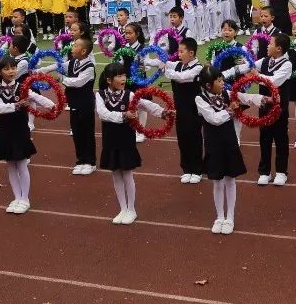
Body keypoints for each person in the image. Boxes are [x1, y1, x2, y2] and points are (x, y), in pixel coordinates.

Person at [96, 60, 173, 224]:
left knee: (127, 173)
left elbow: (145, 104)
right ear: (109, 80)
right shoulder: (100, 95)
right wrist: (123, 116)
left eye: (124, 75)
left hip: (125, 138)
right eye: (118, 76)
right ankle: (122, 208)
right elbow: (102, 114)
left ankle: (131, 209)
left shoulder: (129, 95)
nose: (123, 78)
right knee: (116, 173)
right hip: (110, 138)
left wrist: (162, 113)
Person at [196, 64, 265, 234]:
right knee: (217, 182)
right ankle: (219, 216)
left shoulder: (227, 93)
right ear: (207, 86)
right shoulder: (200, 99)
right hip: (213, 144)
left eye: (221, 79)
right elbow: (213, 119)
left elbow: (246, 97)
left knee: (230, 180)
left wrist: (263, 99)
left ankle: (230, 217)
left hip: (229, 142)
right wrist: (230, 110)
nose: (222, 83)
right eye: (218, 81)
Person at [0, 55, 54, 214]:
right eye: (6, 68)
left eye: (13, 67)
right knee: (10, 165)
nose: (11, 71)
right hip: (4, 131)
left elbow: (36, 97)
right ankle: (17, 197)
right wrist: (17, 105)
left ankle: (25, 198)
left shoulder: (23, 87)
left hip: (20, 130)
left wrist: (52, 106)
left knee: (22, 164)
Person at [158, 35, 204, 184]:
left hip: (193, 109)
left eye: (182, 51)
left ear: (191, 53)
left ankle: (197, 170)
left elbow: (183, 77)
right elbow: (162, 62)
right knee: (182, 139)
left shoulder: (198, 68)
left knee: (194, 139)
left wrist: (165, 70)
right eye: (178, 51)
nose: (179, 53)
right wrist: (145, 59)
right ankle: (187, 169)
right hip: (180, 109)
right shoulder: (179, 64)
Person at [254, 32, 294, 186]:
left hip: (279, 108)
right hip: (264, 106)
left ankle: (281, 172)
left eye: (270, 44)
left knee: (280, 139)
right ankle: (264, 171)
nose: (267, 46)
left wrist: (257, 76)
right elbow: (248, 66)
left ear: (278, 48)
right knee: (264, 138)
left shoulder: (287, 64)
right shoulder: (264, 61)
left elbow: (274, 82)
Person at [60, 35, 98, 175]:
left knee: (87, 132)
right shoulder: (72, 62)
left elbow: (78, 82)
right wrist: (40, 71)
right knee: (77, 132)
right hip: (74, 103)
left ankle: (90, 162)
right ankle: (81, 160)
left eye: (75, 46)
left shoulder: (89, 66)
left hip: (85, 104)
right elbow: (58, 66)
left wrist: (62, 79)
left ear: (83, 51)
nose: (72, 47)